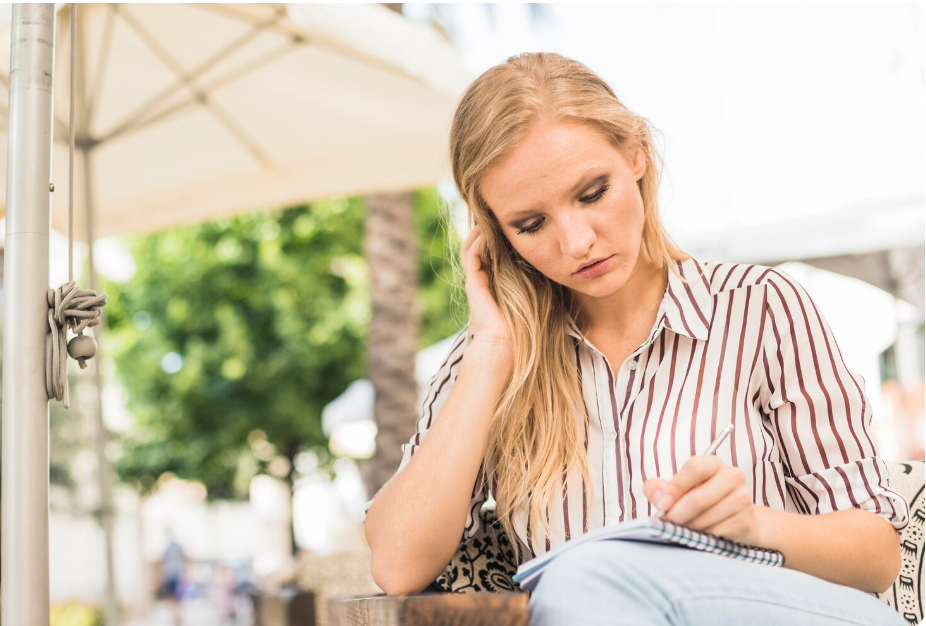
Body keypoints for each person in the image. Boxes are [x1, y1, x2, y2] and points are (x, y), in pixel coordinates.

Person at [362, 52, 909, 625]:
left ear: (636, 154)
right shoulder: (487, 358)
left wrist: (754, 525)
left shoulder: (759, 307)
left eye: (592, 192)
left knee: (580, 578)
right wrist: (491, 352)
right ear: (495, 236)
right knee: (579, 585)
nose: (576, 242)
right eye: (530, 224)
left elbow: (878, 555)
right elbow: (397, 566)